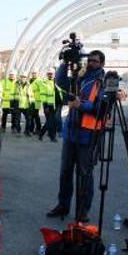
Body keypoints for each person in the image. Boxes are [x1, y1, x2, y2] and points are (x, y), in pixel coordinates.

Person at [47, 50, 106, 222]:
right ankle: (63, 205)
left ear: (101, 63)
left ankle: (83, 210)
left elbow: (101, 107)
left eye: (95, 61)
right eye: (89, 60)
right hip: (71, 132)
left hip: (88, 134)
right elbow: (60, 83)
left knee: (84, 174)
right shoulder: (80, 76)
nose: (91, 63)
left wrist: (82, 105)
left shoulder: (101, 81)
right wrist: (65, 63)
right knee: (65, 172)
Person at [38, 67, 58, 142]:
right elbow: (43, 95)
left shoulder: (56, 82)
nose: (50, 75)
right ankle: (52, 137)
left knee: (52, 121)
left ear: (54, 74)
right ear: (47, 74)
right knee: (50, 122)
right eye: (49, 74)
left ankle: (41, 134)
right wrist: (45, 106)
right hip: (47, 106)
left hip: (55, 105)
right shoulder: (44, 83)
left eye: (52, 74)